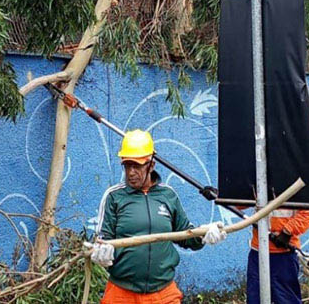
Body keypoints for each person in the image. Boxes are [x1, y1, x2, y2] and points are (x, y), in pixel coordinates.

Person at [89, 129, 227, 304]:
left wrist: (204, 234)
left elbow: (186, 235)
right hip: (122, 293)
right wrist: (101, 252)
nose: (131, 172)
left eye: (137, 166)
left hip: (164, 293)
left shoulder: (167, 195)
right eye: (127, 165)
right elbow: (103, 239)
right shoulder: (114, 197)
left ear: (151, 165)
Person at [246, 208, 309, 304]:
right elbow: (240, 203)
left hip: (284, 254)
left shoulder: (295, 196)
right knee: (255, 297)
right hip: (258, 251)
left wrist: (287, 231)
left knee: (286, 298)